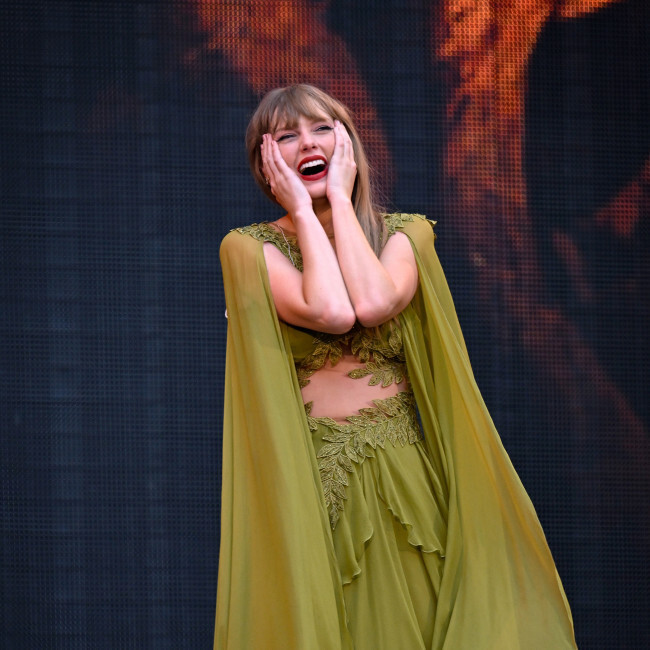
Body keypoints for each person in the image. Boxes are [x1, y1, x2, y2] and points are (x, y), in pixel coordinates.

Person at [215, 84, 576, 649]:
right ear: (267, 162)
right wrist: (305, 213)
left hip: (407, 475)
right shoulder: (246, 249)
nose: (307, 143)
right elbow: (332, 312)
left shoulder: (406, 234)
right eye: (287, 136)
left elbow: (373, 303)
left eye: (322, 129)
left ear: (348, 145)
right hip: (315, 481)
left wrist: (340, 201)